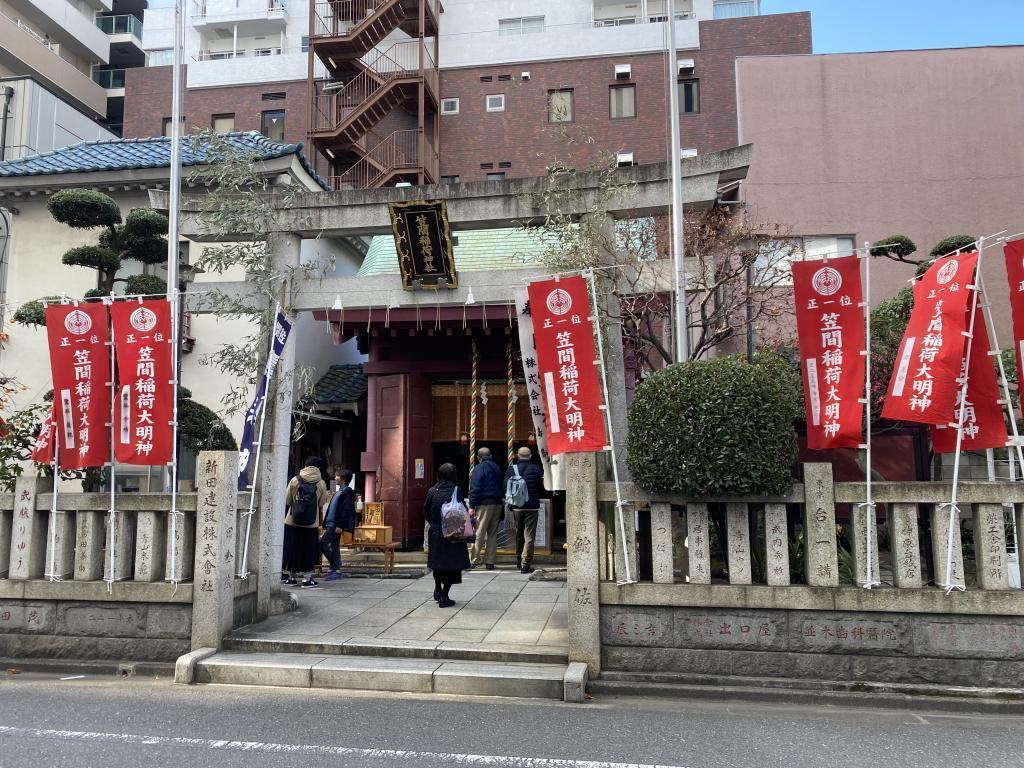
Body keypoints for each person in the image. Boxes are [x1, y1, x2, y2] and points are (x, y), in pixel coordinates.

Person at [423, 463, 471, 607]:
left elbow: (426, 510)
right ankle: (444, 595)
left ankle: (438, 588)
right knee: (452, 564)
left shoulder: (432, 490)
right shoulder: (456, 490)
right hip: (452, 533)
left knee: (437, 563)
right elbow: (463, 510)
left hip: (436, 532)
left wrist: (434, 524)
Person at [282, 458, 328, 587]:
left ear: (306, 465)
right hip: (311, 523)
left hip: (292, 522)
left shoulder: (295, 479)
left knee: (292, 548)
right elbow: (321, 503)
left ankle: (290, 578)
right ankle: (307, 579)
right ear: (319, 468)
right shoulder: (321, 483)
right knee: (308, 550)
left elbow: (288, 500)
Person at [504, 446, 546, 574]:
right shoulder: (537, 469)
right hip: (532, 506)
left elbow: (505, 486)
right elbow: (543, 486)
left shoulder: (511, 469)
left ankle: (518, 560)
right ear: (530, 456)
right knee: (529, 535)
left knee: (519, 534)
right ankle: (525, 563)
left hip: (517, 506)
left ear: (517, 455)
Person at [468, 446, 504, 570]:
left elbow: (475, 488)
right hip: (497, 504)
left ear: (478, 457)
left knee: (479, 532)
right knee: (493, 533)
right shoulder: (497, 467)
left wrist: (472, 505)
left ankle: (475, 560)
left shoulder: (479, 468)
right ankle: (490, 561)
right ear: (491, 456)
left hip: (484, 504)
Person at [321, 468, 356, 581]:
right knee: (335, 547)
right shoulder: (340, 491)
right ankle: (334, 570)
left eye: (337, 476)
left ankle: (336, 566)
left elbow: (346, 511)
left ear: (343, 479)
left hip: (336, 525)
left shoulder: (347, 493)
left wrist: (340, 525)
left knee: (321, 544)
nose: (335, 478)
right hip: (332, 524)